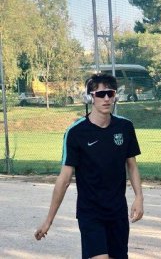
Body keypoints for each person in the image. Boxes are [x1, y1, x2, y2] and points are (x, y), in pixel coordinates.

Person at [34, 74, 144, 259]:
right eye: (101, 94)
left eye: (110, 93)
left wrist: (139, 197)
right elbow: (64, 179)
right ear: (90, 97)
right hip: (90, 213)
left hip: (117, 212)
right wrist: (49, 220)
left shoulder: (125, 127)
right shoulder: (76, 133)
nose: (107, 98)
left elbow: (131, 165)